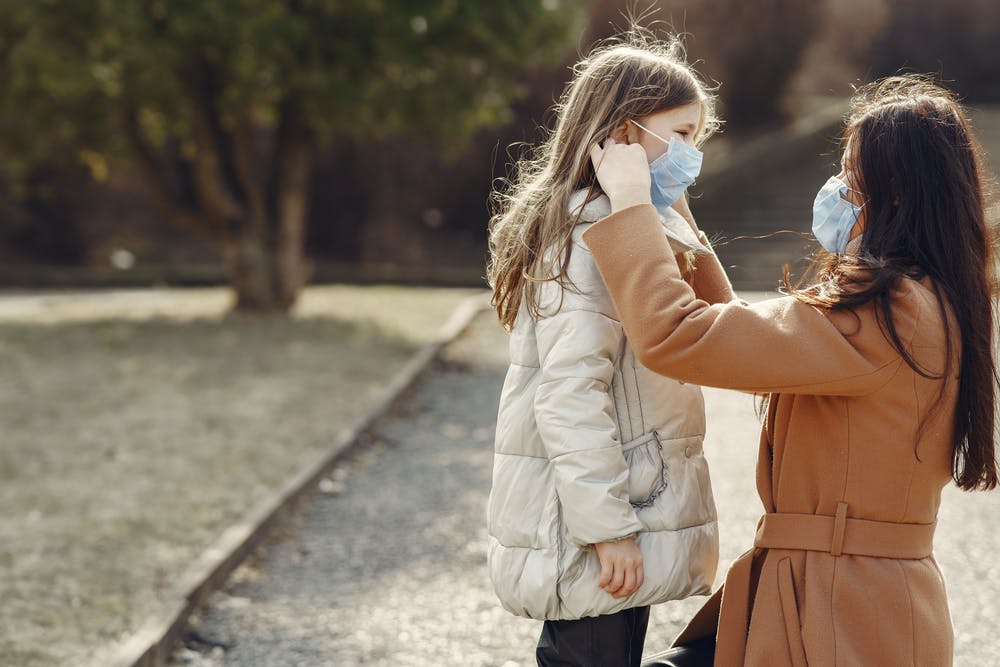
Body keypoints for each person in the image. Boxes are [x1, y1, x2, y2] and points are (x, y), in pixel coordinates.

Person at [586, 75, 998, 666]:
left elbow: (679, 336)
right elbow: (734, 333)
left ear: (898, 193)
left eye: (853, 176)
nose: (837, 189)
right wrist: (677, 219)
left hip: (841, 614)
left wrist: (630, 207)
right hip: (841, 601)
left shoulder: (889, 311)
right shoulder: (926, 299)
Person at [485, 34, 736, 666]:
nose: (691, 154)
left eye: (697, 139)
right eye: (680, 135)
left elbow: (717, 328)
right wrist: (609, 531)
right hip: (598, 524)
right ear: (626, 135)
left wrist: (668, 205)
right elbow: (569, 394)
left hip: (625, 506)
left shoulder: (629, 228)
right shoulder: (590, 238)